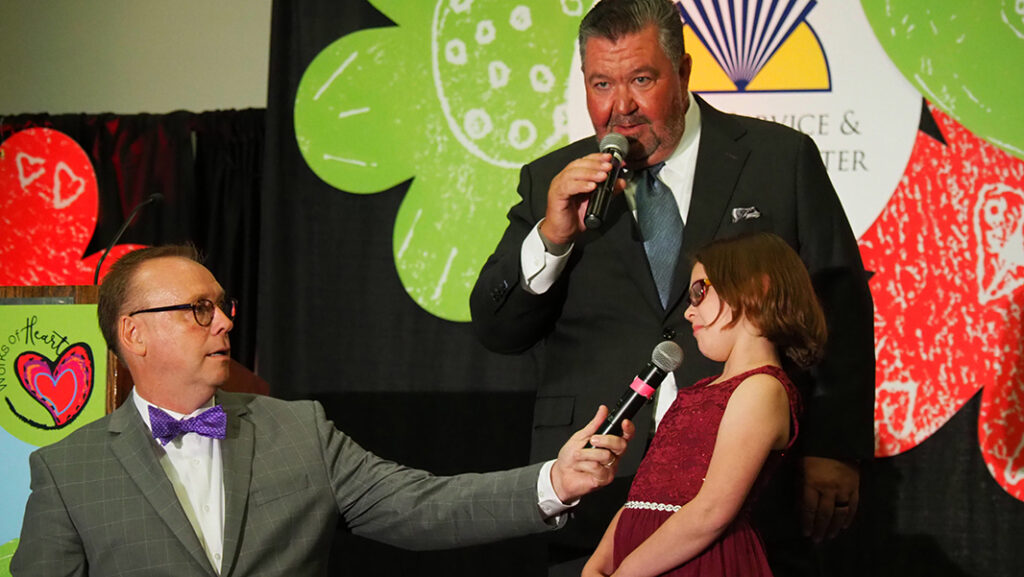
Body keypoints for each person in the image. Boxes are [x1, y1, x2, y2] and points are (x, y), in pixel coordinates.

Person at [468, 0, 875, 574]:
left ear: (683, 72)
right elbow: (497, 329)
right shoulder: (552, 182)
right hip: (600, 497)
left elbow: (840, 307)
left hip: (746, 499)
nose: (621, 107)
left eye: (641, 79)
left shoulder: (778, 160)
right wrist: (552, 236)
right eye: (601, 84)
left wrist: (835, 445)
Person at [11, 244, 635, 577]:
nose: (225, 321)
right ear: (133, 333)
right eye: (199, 309)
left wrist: (554, 480)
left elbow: (423, 505)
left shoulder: (297, 429)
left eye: (223, 304)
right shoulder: (68, 471)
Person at [583, 232, 826, 577]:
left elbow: (711, 511)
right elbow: (646, 493)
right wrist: (600, 564)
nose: (689, 311)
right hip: (644, 561)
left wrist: (625, 573)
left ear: (757, 288)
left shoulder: (762, 389)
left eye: (699, 291)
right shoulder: (698, 391)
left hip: (700, 563)